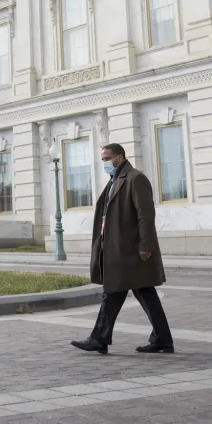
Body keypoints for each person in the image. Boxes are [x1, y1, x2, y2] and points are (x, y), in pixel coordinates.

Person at [71, 143, 174, 355]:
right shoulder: (114, 181)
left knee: (113, 292)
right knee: (144, 293)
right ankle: (162, 339)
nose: (105, 163)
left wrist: (146, 245)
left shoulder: (136, 179)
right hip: (119, 249)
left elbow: (146, 215)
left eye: (107, 158)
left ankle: (99, 338)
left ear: (120, 157)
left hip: (130, 251)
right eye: (102, 159)